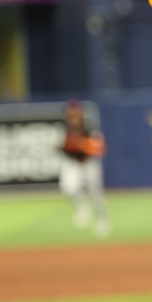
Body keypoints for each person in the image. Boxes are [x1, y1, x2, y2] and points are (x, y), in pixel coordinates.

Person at [59, 99, 112, 238]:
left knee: (96, 194)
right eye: (71, 112)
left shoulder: (89, 126)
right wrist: (71, 145)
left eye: (75, 112)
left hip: (89, 163)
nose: (73, 114)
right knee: (68, 188)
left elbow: (99, 148)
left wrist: (83, 145)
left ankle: (102, 221)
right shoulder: (63, 127)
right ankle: (82, 208)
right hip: (72, 163)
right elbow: (62, 147)